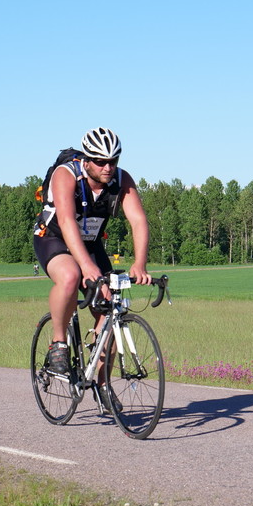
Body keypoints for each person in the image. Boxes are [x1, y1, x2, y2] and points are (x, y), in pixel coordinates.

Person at [33, 127, 151, 381]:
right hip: (54, 238)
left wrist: (140, 263)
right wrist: (86, 266)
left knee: (111, 307)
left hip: (90, 244)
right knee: (70, 275)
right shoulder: (66, 175)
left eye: (113, 161)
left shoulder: (122, 180)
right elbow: (66, 222)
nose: (107, 167)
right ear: (87, 159)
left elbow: (139, 220)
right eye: (100, 161)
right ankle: (58, 345)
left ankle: (102, 384)